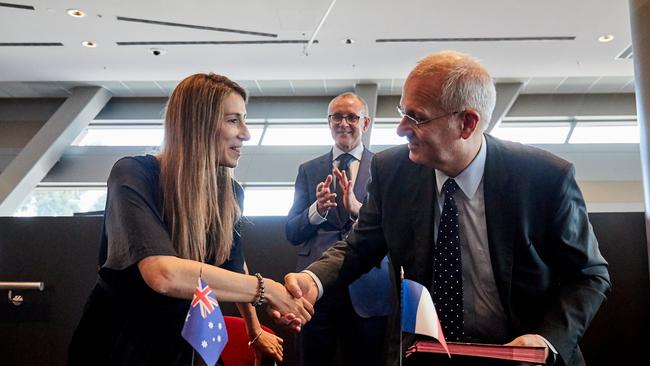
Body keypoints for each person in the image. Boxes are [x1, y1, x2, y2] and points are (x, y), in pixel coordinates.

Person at [282, 51, 611, 366]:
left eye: (417, 117)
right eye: (402, 112)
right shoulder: (392, 171)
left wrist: (545, 339)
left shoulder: (543, 178)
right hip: (429, 354)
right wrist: (314, 280)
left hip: (522, 356)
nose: (400, 129)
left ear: (467, 123)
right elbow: (359, 246)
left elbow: (588, 276)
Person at [68, 73, 312, 366]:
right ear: (199, 124)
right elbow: (163, 274)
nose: (246, 133)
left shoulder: (229, 192)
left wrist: (254, 329)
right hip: (120, 340)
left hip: (181, 338)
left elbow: (235, 265)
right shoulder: (134, 174)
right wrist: (266, 290)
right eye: (234, 120)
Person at [285, 92, 393, 366]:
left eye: (352, 117)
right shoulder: (308, 170)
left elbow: (394, 230)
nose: (344, 123)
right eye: (337, 117)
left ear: (365, 123)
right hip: (315, 291)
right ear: (329, 122)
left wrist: (359, 209)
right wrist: (317, 210)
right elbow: (292, 232)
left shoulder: (386, 168)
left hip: (368, 287)